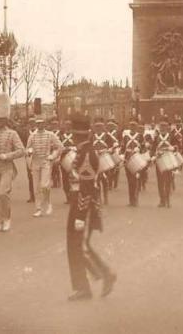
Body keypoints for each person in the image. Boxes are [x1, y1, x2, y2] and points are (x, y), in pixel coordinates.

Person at [65, 113, 117, 301]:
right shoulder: (83, 150)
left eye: (74, 133)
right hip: (80, 204)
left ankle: (94, 280)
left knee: (78, 245)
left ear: (78, 135)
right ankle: (93, 279)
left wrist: (79, 215)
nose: (71, 136)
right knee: (77, 245)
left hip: (83, 206)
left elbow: (86, 188)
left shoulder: (87, 153)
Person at [0, 93, 25, 233]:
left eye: (1, 119)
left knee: (3, 193)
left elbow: (21, 150)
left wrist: (7, 155)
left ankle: (7, 218)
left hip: (7, 168)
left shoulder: (12, 133)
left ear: (6, 120)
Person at [26, 116, 63, 217]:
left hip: (46, 162)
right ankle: (38, 208)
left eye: (41, 123)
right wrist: (29, 151)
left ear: (45, 124)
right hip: (35, 162)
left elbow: (60, 146)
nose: (39, 125)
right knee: (36, 187)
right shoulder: (32, 136)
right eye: (38, 123)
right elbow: (27, 148)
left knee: (44, 185)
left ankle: (48, 203)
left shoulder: (50, 135)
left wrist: (53, 156)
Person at [151, 118, 177, 208]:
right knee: (160, 182)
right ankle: (162, 200)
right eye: (161, 126)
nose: (163, 127)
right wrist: (153, 156)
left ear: (167, 127)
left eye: (164, 126)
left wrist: (173, 148)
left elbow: (177, 147)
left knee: (168, 180)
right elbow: (153, 149)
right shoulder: (156, 138)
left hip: (169, 160)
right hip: (159, 161)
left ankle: (168, 199)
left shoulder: (172, 136)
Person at [121, 118, 144, 206]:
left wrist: (139, 149)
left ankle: (135, 199)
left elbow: (143, 148)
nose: (132, 127)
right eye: (131, 125)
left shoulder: (140, 136)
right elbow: (122, 148)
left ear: (137, 126)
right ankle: (131, 200)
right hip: (127, 159)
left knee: (135, 180)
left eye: (134, 125)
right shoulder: (126, 137)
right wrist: (122, 155)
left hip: (137, 159)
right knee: (129, 181)